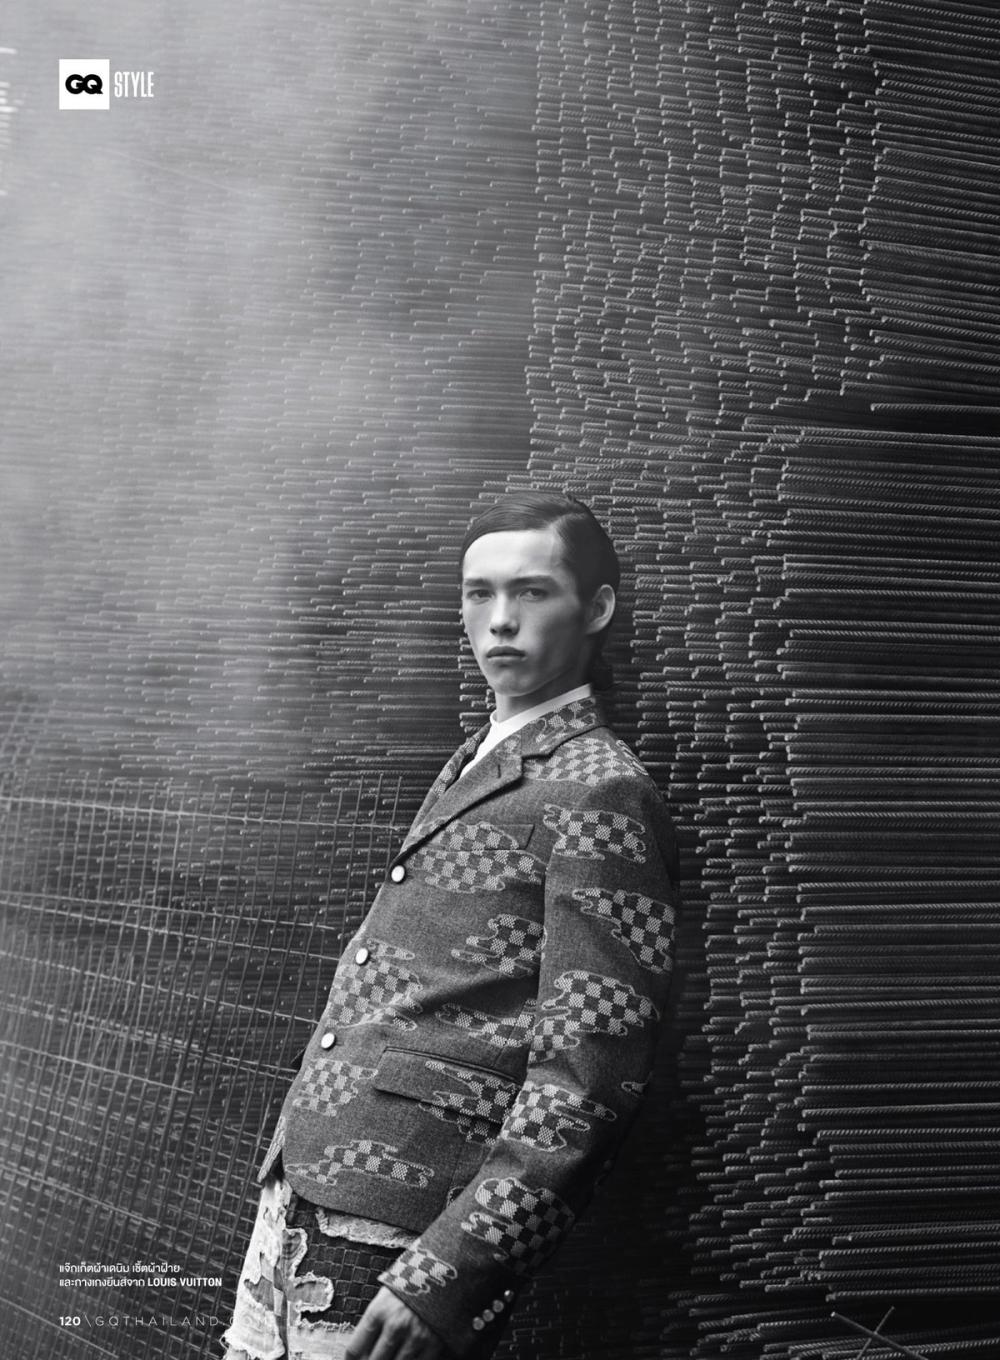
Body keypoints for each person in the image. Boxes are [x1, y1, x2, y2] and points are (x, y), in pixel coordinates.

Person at [222, 490, 680, 1360]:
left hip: (413, 1223)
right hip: (303, 1185)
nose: (500, 619)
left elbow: (591, 1076)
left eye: (532, 591)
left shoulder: (603, 788)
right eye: (480, 593)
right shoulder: (483, 752)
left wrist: (450, 1274)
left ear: (597, 608)